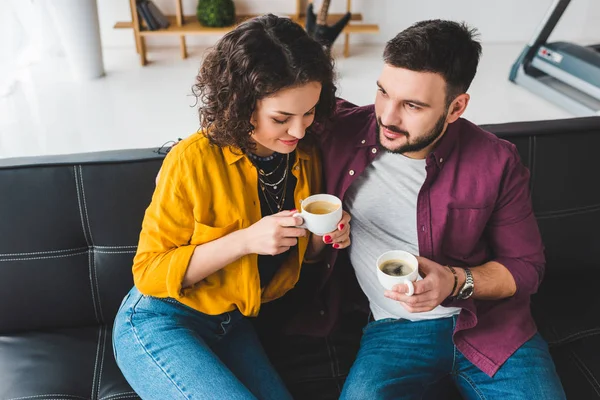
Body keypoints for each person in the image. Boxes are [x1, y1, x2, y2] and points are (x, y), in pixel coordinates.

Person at [287, 20, 566, 399]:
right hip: (394, 333)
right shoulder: (339, 131)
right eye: (383, 92)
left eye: (412, 105)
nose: (387, 116)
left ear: (456, 107)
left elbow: (526, 268)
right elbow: (268, 98)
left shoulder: (497, 161)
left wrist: (454, 282)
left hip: (490, 328)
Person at [112, 14, 351, 400]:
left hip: (231, 324)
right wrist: (244, 241)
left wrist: (328, 237)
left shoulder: (304, 157)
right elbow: (149, 274)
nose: (300, 130)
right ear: (242, 104)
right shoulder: (192, 161)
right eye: (281, 118)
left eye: (308, 112)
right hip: (161, 319)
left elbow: (304, 259)